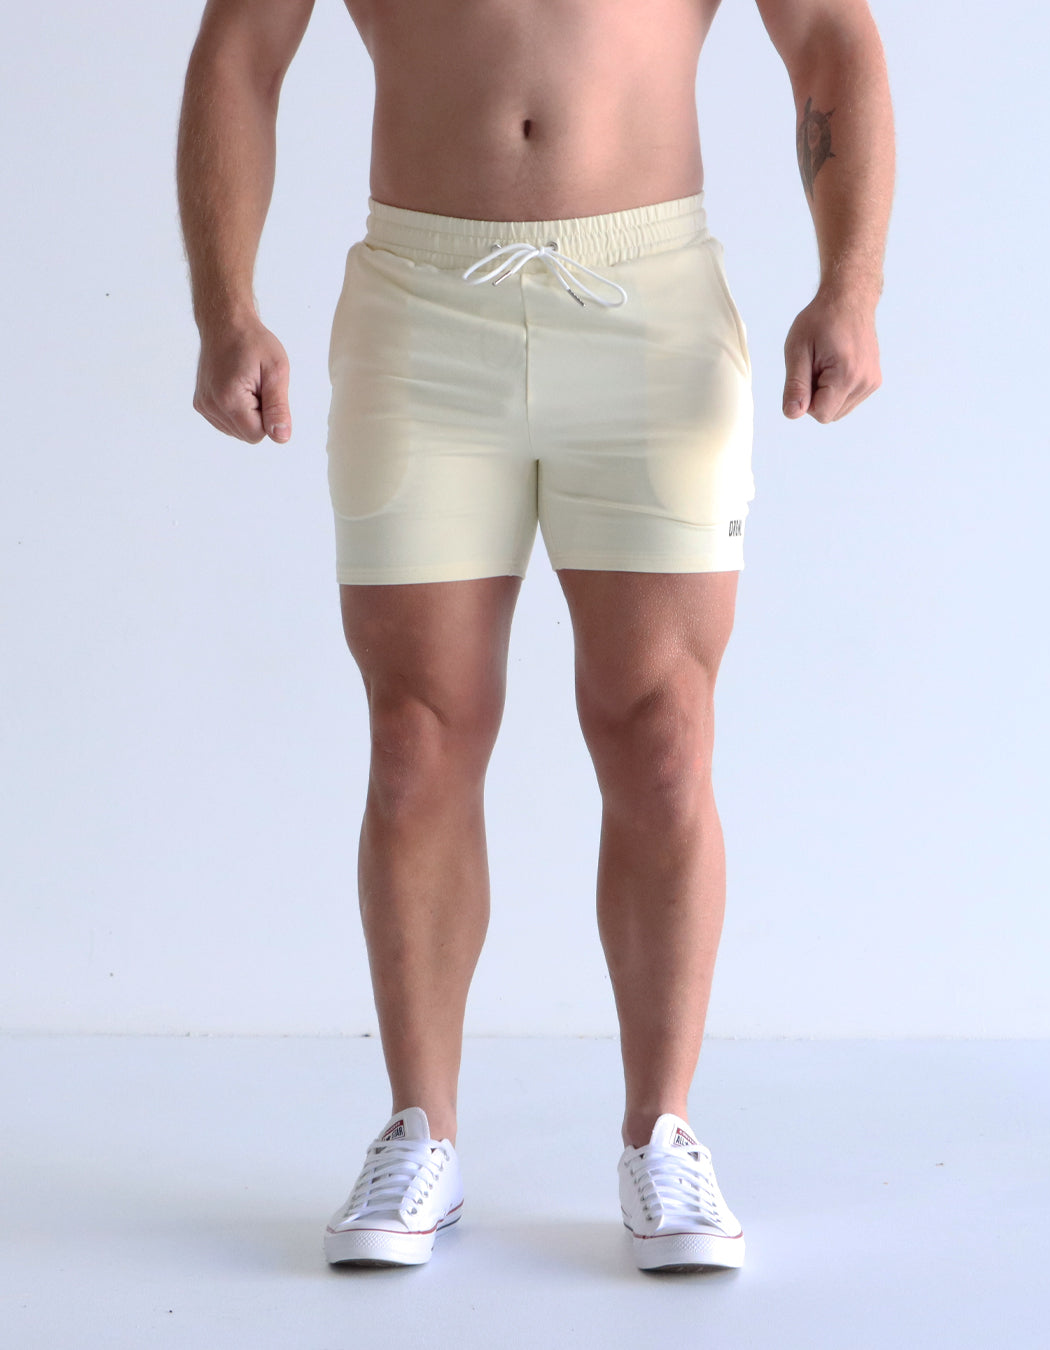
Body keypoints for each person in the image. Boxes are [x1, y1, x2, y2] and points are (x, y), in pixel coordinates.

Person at [176, 0, 894, 1273]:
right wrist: (224, 308)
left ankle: (663, 1133)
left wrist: (852, 284)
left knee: (663, 737)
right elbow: (241, 50)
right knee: (415, 741)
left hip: (649, 304)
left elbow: (832, 36)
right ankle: (419, 1132)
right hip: (421, 306)